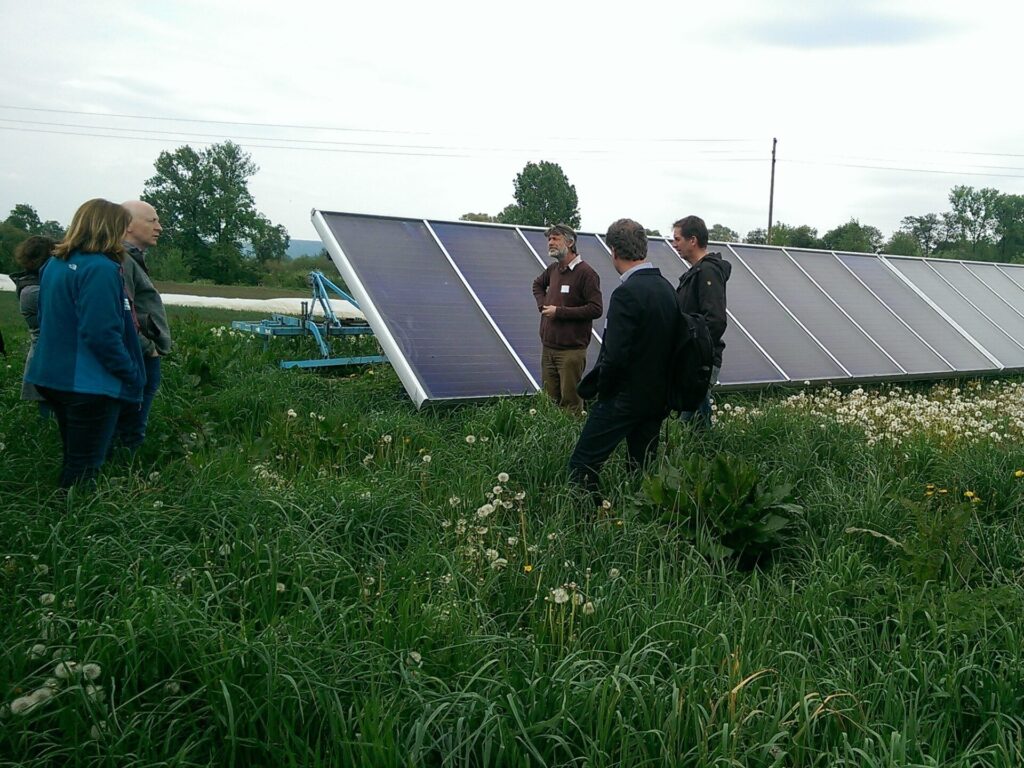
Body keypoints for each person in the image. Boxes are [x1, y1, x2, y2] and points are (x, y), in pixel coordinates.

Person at [25, 199, 145, 487]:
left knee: (73, 457)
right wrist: (130, 373)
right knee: (84, 467)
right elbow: (101, 332)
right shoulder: (101, 269)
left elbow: (45, 317)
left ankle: (62, 515)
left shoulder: (55, 264)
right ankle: (72, 520)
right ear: (109, 228)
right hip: (87, 383)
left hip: (51, 375)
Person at [568, 219, 678, 496]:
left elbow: (615, 356)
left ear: (614, 251)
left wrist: (603, 391)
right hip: (657, 397)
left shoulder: (627, 293)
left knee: (583, 463)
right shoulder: (666, 289)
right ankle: (643, 518)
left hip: (624, 397)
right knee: (642, 468)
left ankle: (587, 523)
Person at [116, 200, 172, 450]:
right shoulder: (123, 260)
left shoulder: (131, 258)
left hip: (139, 352)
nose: (159, 227)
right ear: (128, 225)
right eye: (152, 221)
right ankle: (123, 476)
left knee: (130, 418)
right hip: (138, 354)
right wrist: (147, 347)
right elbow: (122, 311)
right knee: (131, 424)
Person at [531, 224, 602, 413]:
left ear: (570, 242)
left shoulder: (587, 273)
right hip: (548, 348)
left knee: (570, 404)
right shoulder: (553, 269)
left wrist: (560, 312)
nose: (550, 243)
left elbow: (596, 309)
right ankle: (549, 439)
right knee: (548, 402)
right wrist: (542, 305)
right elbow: (537, 285)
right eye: (549, 239)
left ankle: (569, 441)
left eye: (555, 238)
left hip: (571, 352)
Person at [671, 215, 731, 428]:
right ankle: (705, 455)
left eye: (678, 239)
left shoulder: (708, 271)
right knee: (693, 420)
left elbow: (714, 320)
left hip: (699, 361)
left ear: (693, 240)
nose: (674, 244)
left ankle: (707, 456)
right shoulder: (696, 272)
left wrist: (692, 349)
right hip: (693, 359)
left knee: (691, 421)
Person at [10, 236, 55, 417]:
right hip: (45, 360)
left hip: (47, 358)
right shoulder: (33, 291)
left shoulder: (35, 285)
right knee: (50, 423)